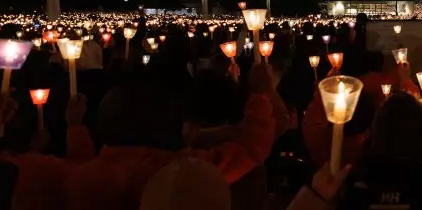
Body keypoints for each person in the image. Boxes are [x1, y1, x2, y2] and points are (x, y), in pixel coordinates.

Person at [62, 64, 276, 210]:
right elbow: (253, 148)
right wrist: (259, 95)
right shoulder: (174, 173)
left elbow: (79, 161)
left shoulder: (80, 179)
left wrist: (75, 127)